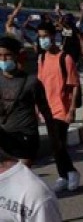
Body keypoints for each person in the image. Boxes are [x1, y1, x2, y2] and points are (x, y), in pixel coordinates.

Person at [36, 22, 81, 193]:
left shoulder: (65, 58)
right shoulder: (41, 58)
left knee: (59, 144)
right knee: (56, 146)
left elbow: (75, 84)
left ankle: (71, 172)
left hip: (62, 108)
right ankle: (63, 175)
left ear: (53, 36)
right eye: (40, 37)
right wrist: (37, 106)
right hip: (46, 107)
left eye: (45, 36)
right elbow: (40, 84)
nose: (43, 40)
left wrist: (71, 110)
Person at [0, 36, 54, 166]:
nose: (3, 59)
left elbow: (46, 111)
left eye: (7, 55)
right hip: (3, 136)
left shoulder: (32, 82)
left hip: (25, 138)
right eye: (0, 55)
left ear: (17, 56)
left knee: (21, 179)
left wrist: (55, 139)